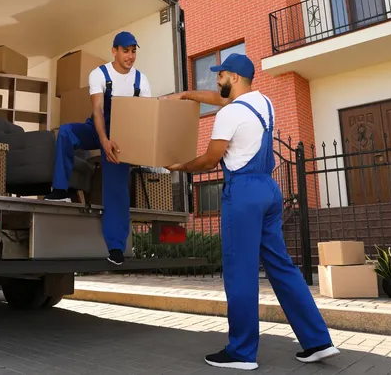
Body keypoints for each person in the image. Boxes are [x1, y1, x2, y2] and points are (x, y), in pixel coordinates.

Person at [165, 53, 338, 370]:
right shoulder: (263, 103)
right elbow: (219, 100)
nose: (216, 80)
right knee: (282, 268)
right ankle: (318, 341)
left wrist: (180, 167)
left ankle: (242, 353)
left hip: (243, 192)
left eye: (220, 75)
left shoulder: (228, 115)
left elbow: (209, 159)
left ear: (232, 77)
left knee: (239, 271)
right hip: (270, 191)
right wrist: (187, 95)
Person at [44, 31, 151, 266]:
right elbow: (98, 110)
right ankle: (60, 189)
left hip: (122, 135)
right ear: (114, 51)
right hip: (98, 127)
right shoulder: (100, 74)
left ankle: (115, 247)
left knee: (117, 188)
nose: (130, 56)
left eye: (134, 51)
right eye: (126, 50)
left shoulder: (141, 80)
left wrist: (135, 146)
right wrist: (102, 139)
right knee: (65, 133)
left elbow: (143, 115)